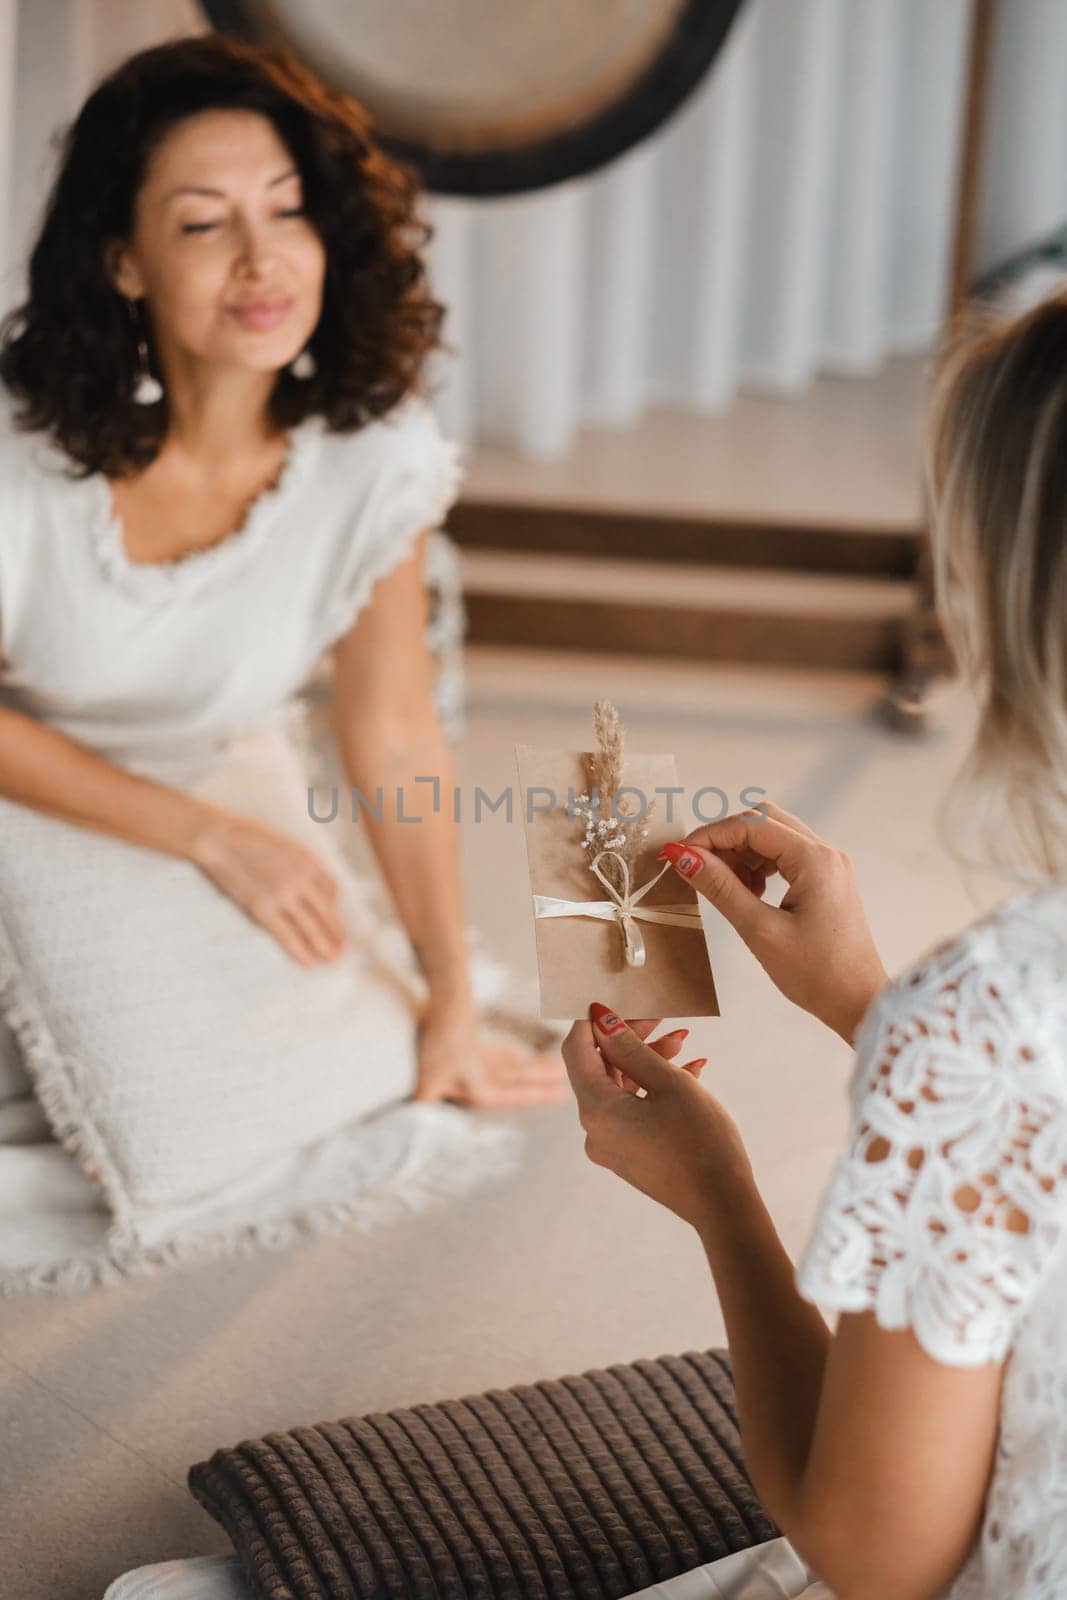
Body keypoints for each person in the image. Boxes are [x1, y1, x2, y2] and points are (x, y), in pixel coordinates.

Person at [563, 293, 1067, 1599]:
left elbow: (872, 1556)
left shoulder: (984, 1012)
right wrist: (862, 1002)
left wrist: (714, 1190)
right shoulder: (972, 1020)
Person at [0, 32, 568, 1113]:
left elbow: (394, 733)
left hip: (212, 778)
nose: (263, 261)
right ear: (122, 259)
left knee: (345, 1066)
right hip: (28, 786)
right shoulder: (19, 449)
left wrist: (447, 994)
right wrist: (208, 839)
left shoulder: (371, 449)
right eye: (205, 223)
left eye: (288, 206)